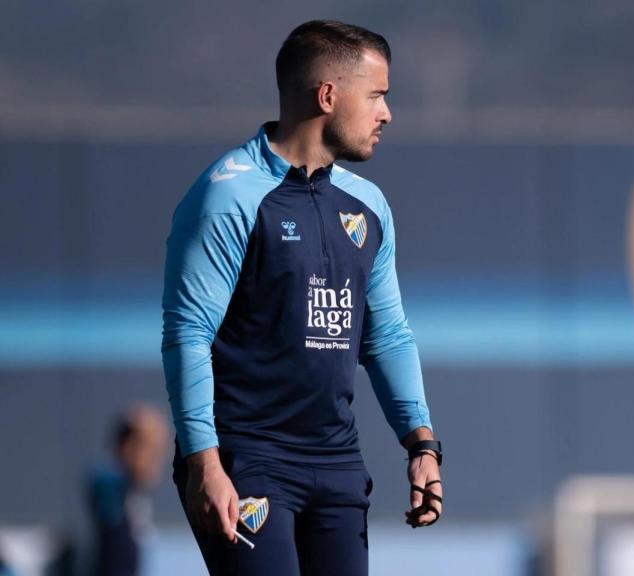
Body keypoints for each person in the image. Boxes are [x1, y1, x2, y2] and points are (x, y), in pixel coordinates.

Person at [161, 20, 443, 576]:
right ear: (328, 95)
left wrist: (422, 446)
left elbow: (385, 335)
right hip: (247, 459)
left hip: (337, 462)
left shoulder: (369, 206)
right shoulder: (229, 195)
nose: (386, 114)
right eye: (378, 96)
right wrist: (205, 464)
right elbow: (187, 333)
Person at [87, 405, 170, 576]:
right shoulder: (107, 480)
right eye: (144, 448)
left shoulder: (133, 487)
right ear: (128, 446)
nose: (150, 457)